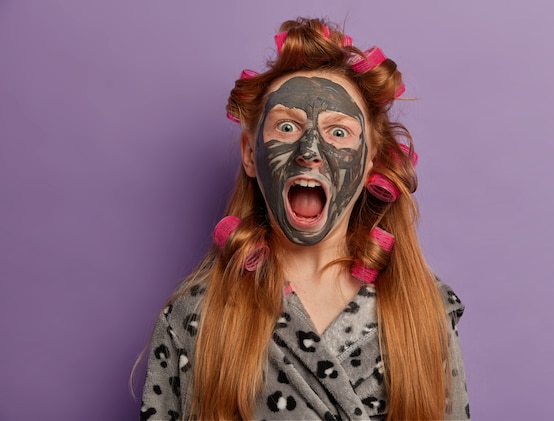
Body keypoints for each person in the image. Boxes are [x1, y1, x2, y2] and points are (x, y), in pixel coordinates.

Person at [140, 17, 469, 421]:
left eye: (339, 133)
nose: (309, 150)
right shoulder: (194, 317)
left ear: (371, 162)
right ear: (250, 154)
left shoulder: (425, 310)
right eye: (287, 126)